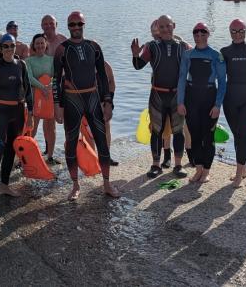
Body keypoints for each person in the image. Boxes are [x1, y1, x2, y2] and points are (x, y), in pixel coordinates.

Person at [53, 11, 119, 200]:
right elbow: (55, 80)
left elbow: (103, 77)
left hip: (92, 98)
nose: (75, 28)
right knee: (71, 143)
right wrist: (57, 104)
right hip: (72, 100)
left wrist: (108, 102)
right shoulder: (61, 49)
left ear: (84, 25)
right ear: (67, 27)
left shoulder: (94, 47)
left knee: (101, 141)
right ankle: (75, 185)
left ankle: (106, 183)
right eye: (72, 25)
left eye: (79, 24)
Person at [132, 15, 190, 178]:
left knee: (178, 131)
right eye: (162, 27)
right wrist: (136, 55)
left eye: (168, 26)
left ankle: (178, 165)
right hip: (157, 94)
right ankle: (155, 165)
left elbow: (197, 60)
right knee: (156, 131)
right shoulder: (152, 46)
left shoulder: (183, 46)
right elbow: (138, 66)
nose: (165, 29)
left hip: (176, 96)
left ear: (174, 26)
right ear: (158, 28)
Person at [0, 33, 34, 209]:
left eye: (11, 46)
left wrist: (31, 113)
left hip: (18, 112)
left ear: (15, 47)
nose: (9, 49)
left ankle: (4, 185)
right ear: (0, 48)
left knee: (11, 152)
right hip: (0, 113)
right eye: (5, 46)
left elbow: (28, 90)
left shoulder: (21, 65)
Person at [177, 23, 227, 183]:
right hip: (191, 97)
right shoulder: (187, 54)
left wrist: (217, 105)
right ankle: (198, 169)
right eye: (196, 33)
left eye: (203, 32)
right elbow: (182, 79)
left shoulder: (215, 55)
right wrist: (180, 102)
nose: (199, 36)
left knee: (208, 136)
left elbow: (222, 82)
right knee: (195, 135)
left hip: (209, 96)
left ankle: (206, 171)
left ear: (208, 34)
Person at [221, 19, 246, 188]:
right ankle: (243, 168)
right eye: (234, 31)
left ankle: (238, 174)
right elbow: (219, 76)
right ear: (229, 32)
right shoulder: (224, 51)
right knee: (237, 135)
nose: (237, 34)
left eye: (240, 30)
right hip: (230, 99)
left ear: (245, 31)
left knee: (243, 134)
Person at [26, 33, 59, 164]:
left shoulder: (51, 60)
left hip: (49, 97)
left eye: (42, 43)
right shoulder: (28, 61)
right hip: (35, 97)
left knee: (51, 127)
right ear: (33, 46)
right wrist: (42, 87)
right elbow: (29, 77)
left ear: (46, 45)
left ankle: (50, 156)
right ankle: (26, 156)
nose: (39, 45)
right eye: (37, 43)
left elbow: (55, 76)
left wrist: (49, 86)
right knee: (32, 127)